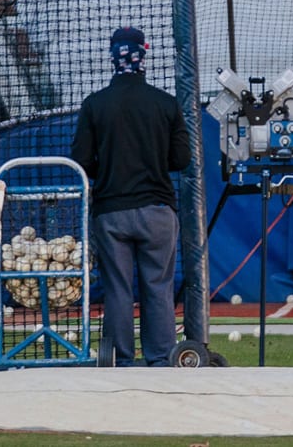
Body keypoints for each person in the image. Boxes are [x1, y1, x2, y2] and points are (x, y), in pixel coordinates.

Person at [70, 26, 188, 366]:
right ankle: (161, 357)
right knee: (158, 285)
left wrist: (107, 168)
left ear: (112, 57)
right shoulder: (165, 103)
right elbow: (181, 159)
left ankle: (120, 359)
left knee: (118, 289)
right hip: (157, 210)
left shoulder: (95, 105)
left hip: (111, 211)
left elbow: (80, 160)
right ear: (143, 56)